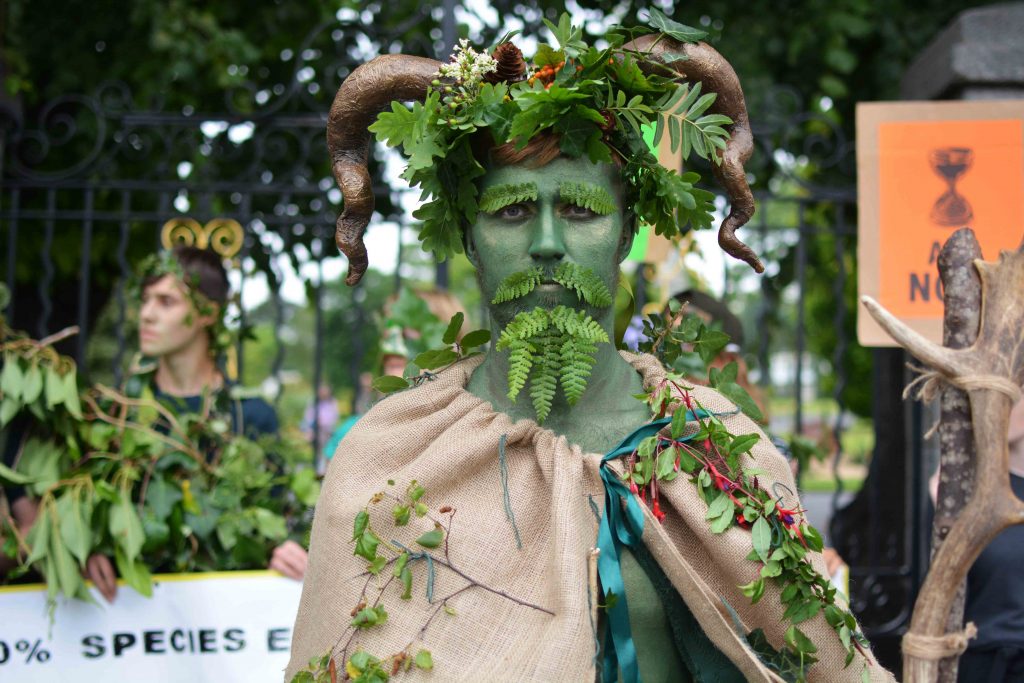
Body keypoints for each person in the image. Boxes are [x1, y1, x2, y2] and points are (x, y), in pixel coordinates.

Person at [287, 20, 890, 682]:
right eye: (512, 212)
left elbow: (814, 656)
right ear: (468, 237)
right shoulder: (393, 458)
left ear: (626, 228)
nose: (548, 242)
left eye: (580, 211)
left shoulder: (717, 441)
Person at [2, 246, 309, 597]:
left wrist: (282, 550)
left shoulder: (251, 415)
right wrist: (86, 545)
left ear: (208, 312)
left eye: (166, 302)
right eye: (145, 300)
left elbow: (276, 518)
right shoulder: (114, 412)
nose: (145, 314)